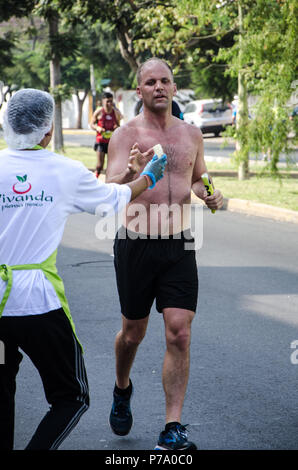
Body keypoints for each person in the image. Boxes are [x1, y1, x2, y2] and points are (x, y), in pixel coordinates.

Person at [0, 88, 167, 450]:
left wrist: (125, 174)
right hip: (37, 306)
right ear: (48, 131)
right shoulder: (63, 170)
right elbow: (111, 200)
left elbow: (95, 192)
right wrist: (149, 176)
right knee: (71, 398)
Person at [105, 57, 223, 450]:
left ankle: (173, 427)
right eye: (150, 82)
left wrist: (211, 195)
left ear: (174, 88)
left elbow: (198, 178)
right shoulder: (124, 135)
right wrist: (133, 172)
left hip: (179, 244)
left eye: (165, 81)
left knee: (180, 332)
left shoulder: (191, 134)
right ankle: (122, 387)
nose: (159, 87)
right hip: (135, 244)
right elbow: (111, 185)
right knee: (133, 333)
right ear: (138, 91)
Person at [90, 92, 122, 178]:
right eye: (107, 101)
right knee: (100, 165)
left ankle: (109, 183)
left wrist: (116, 127)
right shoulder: (99, 112)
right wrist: (97, 128)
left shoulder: (116, 113)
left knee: (112, 165)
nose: (109, 104)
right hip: (100, 141)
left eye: (111, 101)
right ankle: (95, 181)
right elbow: (92, 124)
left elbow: (119, 126)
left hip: (111, 142)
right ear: (103, 101)